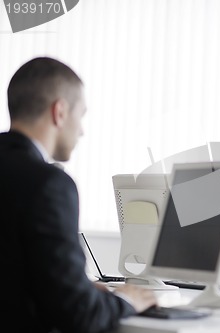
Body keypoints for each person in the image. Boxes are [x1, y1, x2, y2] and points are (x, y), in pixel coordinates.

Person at [0, 57, 158, 333]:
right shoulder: (47, 184)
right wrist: (125, 300)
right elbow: (77, 315)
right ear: (59, 112)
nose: (82, 130)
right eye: (81, 115)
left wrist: (79, 287)